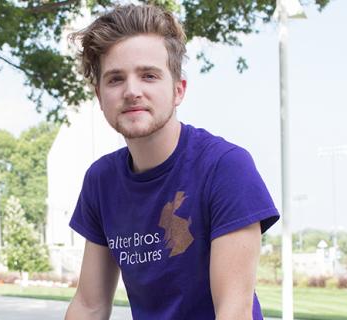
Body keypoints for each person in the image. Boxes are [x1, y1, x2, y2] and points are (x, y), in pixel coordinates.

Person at [64, 4, 280, 320]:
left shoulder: (226, 168)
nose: (131, 91)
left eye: (149, 76)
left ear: (178, 90)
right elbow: (89, 305)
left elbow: (233, 312)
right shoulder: (101, 180)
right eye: (115, 79)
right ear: (99, 96)